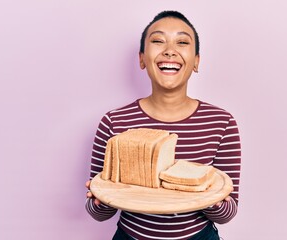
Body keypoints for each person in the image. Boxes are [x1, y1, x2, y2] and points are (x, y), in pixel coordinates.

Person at [85, 10, 241, 240]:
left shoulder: (222, 122)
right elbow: (98, 213)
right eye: (158, 41)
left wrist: (207, 194)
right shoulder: (114, 121)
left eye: (182, 42)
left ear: (196, 61)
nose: (169, 50)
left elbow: (228, 212)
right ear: (141, 58)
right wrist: (99, 201)